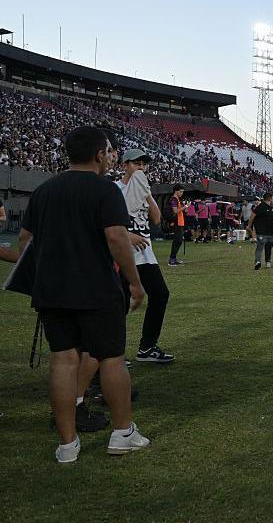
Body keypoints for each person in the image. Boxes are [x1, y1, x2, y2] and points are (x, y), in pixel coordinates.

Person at [19, 126, 150, 463]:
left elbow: (23, 247)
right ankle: (122, 433)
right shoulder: (104, 190)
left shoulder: (44, 191)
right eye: (108, 152)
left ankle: (67, 445)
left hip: (51, 291)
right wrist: (135, 283)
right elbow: (117, 238)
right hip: (95, 289)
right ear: (97, 155)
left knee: (62, 361)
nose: (110, 158)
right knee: (110, 358)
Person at [117, 149, 174, 364]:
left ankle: (147, 347)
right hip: (123, 252)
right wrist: (127, 235)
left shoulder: (143, 188)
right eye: (136, 163)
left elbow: (157, 218)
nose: (141, 167)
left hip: (145, 252)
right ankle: (113, 353)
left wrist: (146, 191)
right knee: (120, 302)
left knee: (160, 294)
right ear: (124, 165)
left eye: (143, 164)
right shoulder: (115, 188)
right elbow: (107, 223)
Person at [249, 193, 273, 270]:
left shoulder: (271, 207)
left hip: (270, 232)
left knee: (268, 247)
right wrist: (249, 225)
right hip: (261, 232)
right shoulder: (260, 207)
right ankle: (258, 262)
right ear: (270, 198)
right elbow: (252, 216)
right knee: (260, 247)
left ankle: (267, 262)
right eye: (272, 198)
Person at [167, 184, 186, 266]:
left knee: (179, 241)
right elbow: (175, 211)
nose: (182, 193)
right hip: (177, 222)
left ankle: (174, 258)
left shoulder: (177, 199)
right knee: (177, 241)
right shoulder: (174, 199)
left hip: (180, 222)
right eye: (181, 191)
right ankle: (172, 259)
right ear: (176, 191)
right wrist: (185, 206)